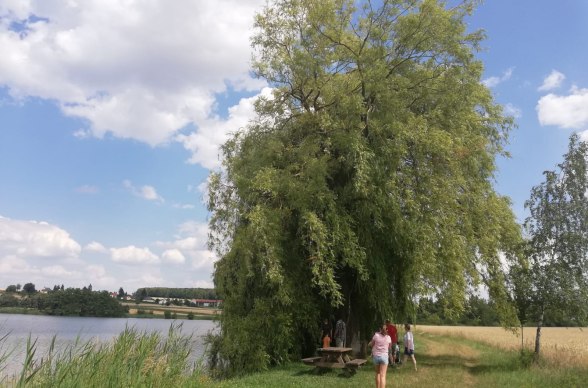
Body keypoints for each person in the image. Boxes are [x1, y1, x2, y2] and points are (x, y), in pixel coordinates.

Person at [369, 324, 392, 388]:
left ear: (380, 329)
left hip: (376, 356)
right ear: (386, 330)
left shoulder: (376, 336)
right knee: (383, 376)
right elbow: (389, 347)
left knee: (377, 373)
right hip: (384, 357)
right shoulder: (388, 337)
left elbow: (371, 344)